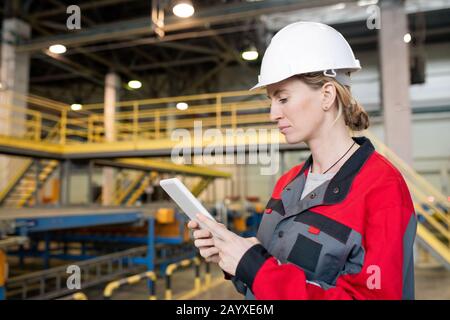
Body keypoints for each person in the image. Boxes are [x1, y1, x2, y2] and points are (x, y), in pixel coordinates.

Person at [188, 21, 416, 300]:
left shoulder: (382, 189)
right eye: (271, 100)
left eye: (282, 98)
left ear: (327, 95)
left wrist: (255, 267)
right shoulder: (289, 182)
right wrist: (234, 254)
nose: (273, 113)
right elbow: (270, 274)